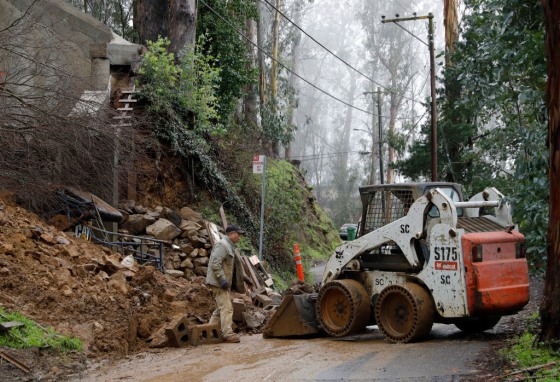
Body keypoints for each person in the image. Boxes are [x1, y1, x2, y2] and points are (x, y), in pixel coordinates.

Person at [206, 224, 251, 343]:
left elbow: (234, 268)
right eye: (238, 234)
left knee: (219, 309)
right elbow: (215, 263)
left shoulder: (230, 247)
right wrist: (222, 279)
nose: (239, 238)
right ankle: (227, 334)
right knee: (227, 308)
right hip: (218, 283)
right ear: (231, 234)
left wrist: (244, 277)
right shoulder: (222, 245)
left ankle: (208, 333)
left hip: (222, 283)